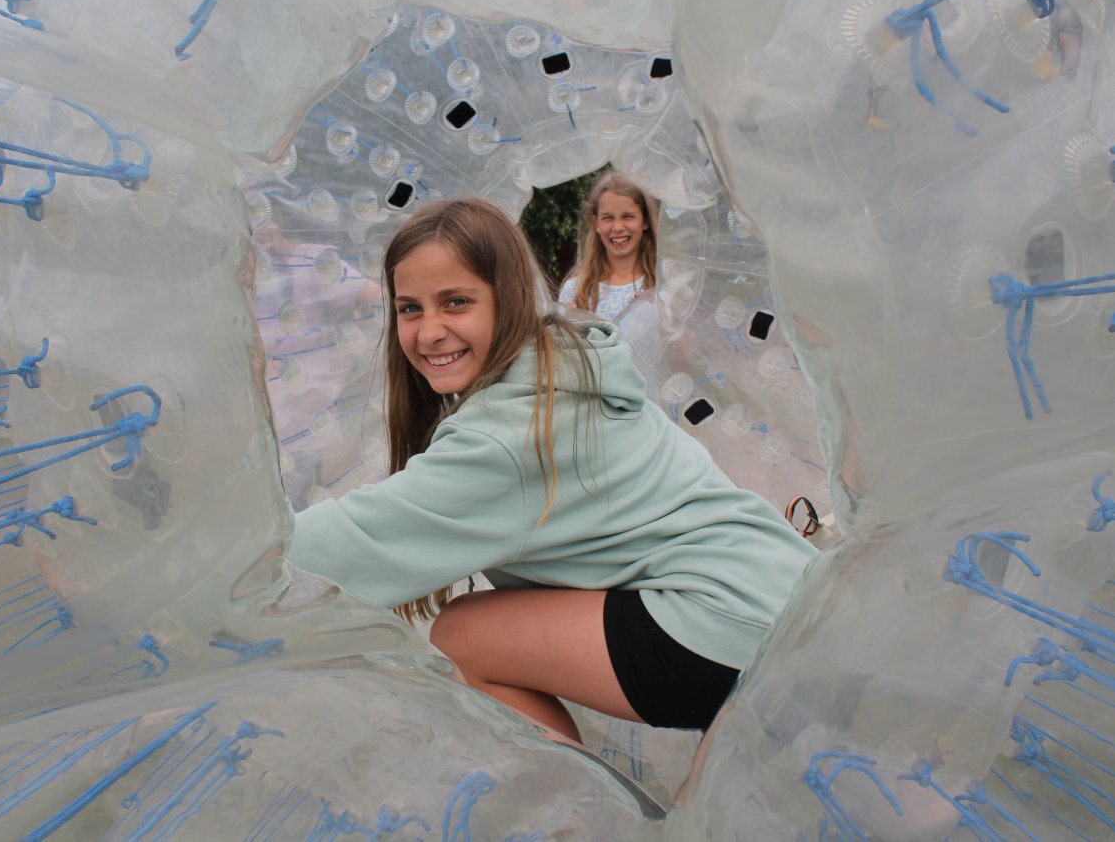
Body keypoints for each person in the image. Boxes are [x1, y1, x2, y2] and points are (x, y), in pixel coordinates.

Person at [283, 197, 818, 744]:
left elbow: (353, 542)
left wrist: (234, 558)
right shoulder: (563, 369)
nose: (430, 331)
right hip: (791, 604)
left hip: (731, 625)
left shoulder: (513, 434)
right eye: (410, 308)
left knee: (462, 634)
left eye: (456, 302)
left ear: (509, 297)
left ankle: (572, 796)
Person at [557, 172, 659, 322]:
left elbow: (686, 335)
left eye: (628, 216)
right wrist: (570, 327)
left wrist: (658, 318)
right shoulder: (575, 291)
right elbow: (558, 337)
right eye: (608, 218)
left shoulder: (664, 288)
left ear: (645, 221)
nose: (617, 227)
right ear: (596, 223)